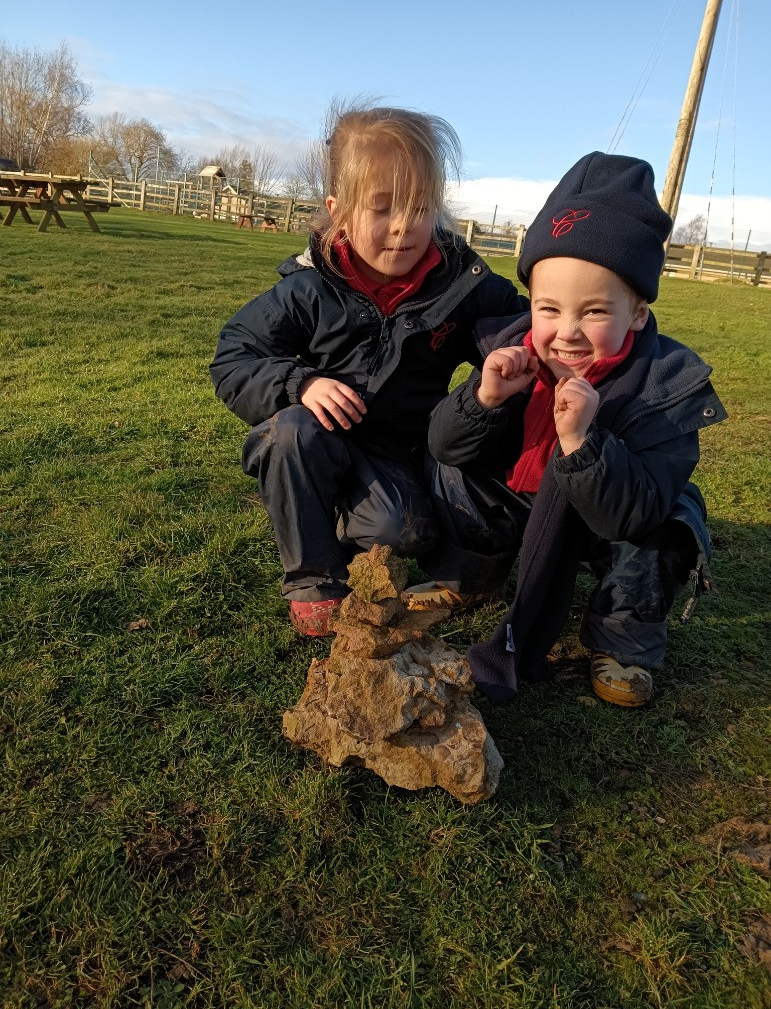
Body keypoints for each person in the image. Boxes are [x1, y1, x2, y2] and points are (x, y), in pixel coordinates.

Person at [414, 151, 727, 707]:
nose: (568, 333)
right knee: (452, 462)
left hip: (603, 521)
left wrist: (584, 444)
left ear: (636, 312)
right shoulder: (510, 352)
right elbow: (444, 444)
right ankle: (469, 573)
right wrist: (482, 399)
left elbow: (633, 510)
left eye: (595, 312)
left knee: (669, 525)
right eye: (549, 308)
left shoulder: (664, 387)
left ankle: (621, 638)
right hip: (517, 501)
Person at [209, 103, 527, 636]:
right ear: (340, 211)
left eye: (419, 207)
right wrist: (300, 383)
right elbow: (234, 354)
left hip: (395, 454)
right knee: (288, 433)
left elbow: (517, 323)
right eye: (381, 208)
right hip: (319, 437)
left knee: (400, 533)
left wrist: (532, 341)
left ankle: (343, 518)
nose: (403, 226)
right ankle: (314, 579)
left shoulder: (460, 285)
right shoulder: (308, 289)